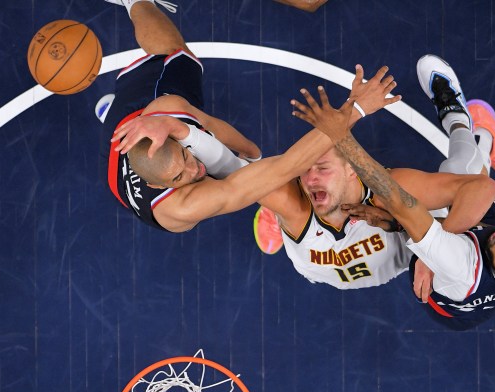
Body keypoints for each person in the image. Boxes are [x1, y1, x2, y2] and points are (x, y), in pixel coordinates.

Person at [289, 54, 495, 331]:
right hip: (463, 248)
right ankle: (472, 127)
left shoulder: (459, 267)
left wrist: (341, 134)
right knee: (465, 178)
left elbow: (399, 200)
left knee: (406, 198)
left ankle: (295, 220)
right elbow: (484, 189)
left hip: (449, 294)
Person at [101, 0, 399, 232]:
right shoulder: (185, 205)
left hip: (130, 127)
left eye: (187, 158)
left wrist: (250, 152)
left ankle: (134, 8)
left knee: (178, 59)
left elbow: (209, 125)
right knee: (239, 179)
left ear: (171, 135)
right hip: (141, 184)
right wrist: (355, 109)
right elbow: (283, 167)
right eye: (179, 176)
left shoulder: (167, 112)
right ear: (158, 185)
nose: (193, 171)